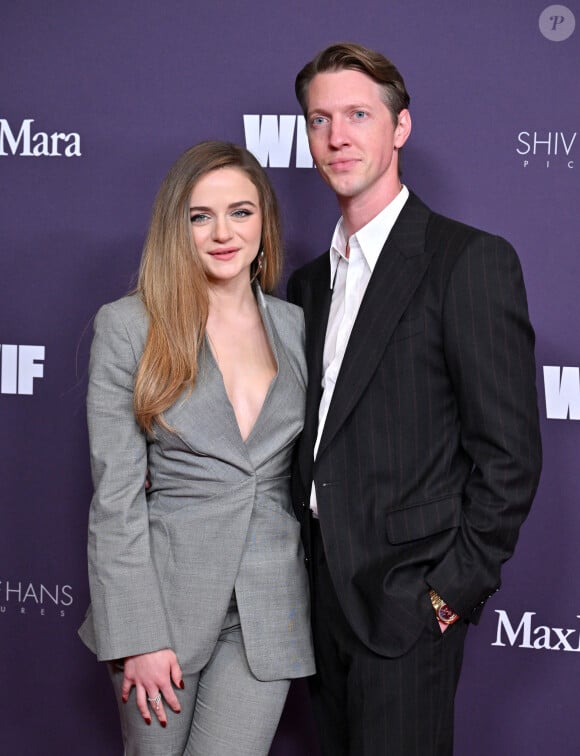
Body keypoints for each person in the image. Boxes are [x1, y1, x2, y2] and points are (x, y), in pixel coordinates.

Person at [287, 42, 542, 756]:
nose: (337, 136)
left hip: (407, 607)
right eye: (320, 119)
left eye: (358, 115)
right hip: (315, 603)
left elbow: (510, 457)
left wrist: (445, 598)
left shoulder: (467, 261)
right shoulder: (306, 285)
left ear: (400, 127)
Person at [78, 140, 315, 756]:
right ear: (175, 226)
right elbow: (116, 498)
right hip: (163, 606)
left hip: (269, 608)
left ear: (264, 222)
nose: (222, 233)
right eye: (200, 215)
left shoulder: (294, 327)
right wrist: (136, 635)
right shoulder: (130, 326)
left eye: (240, 212)